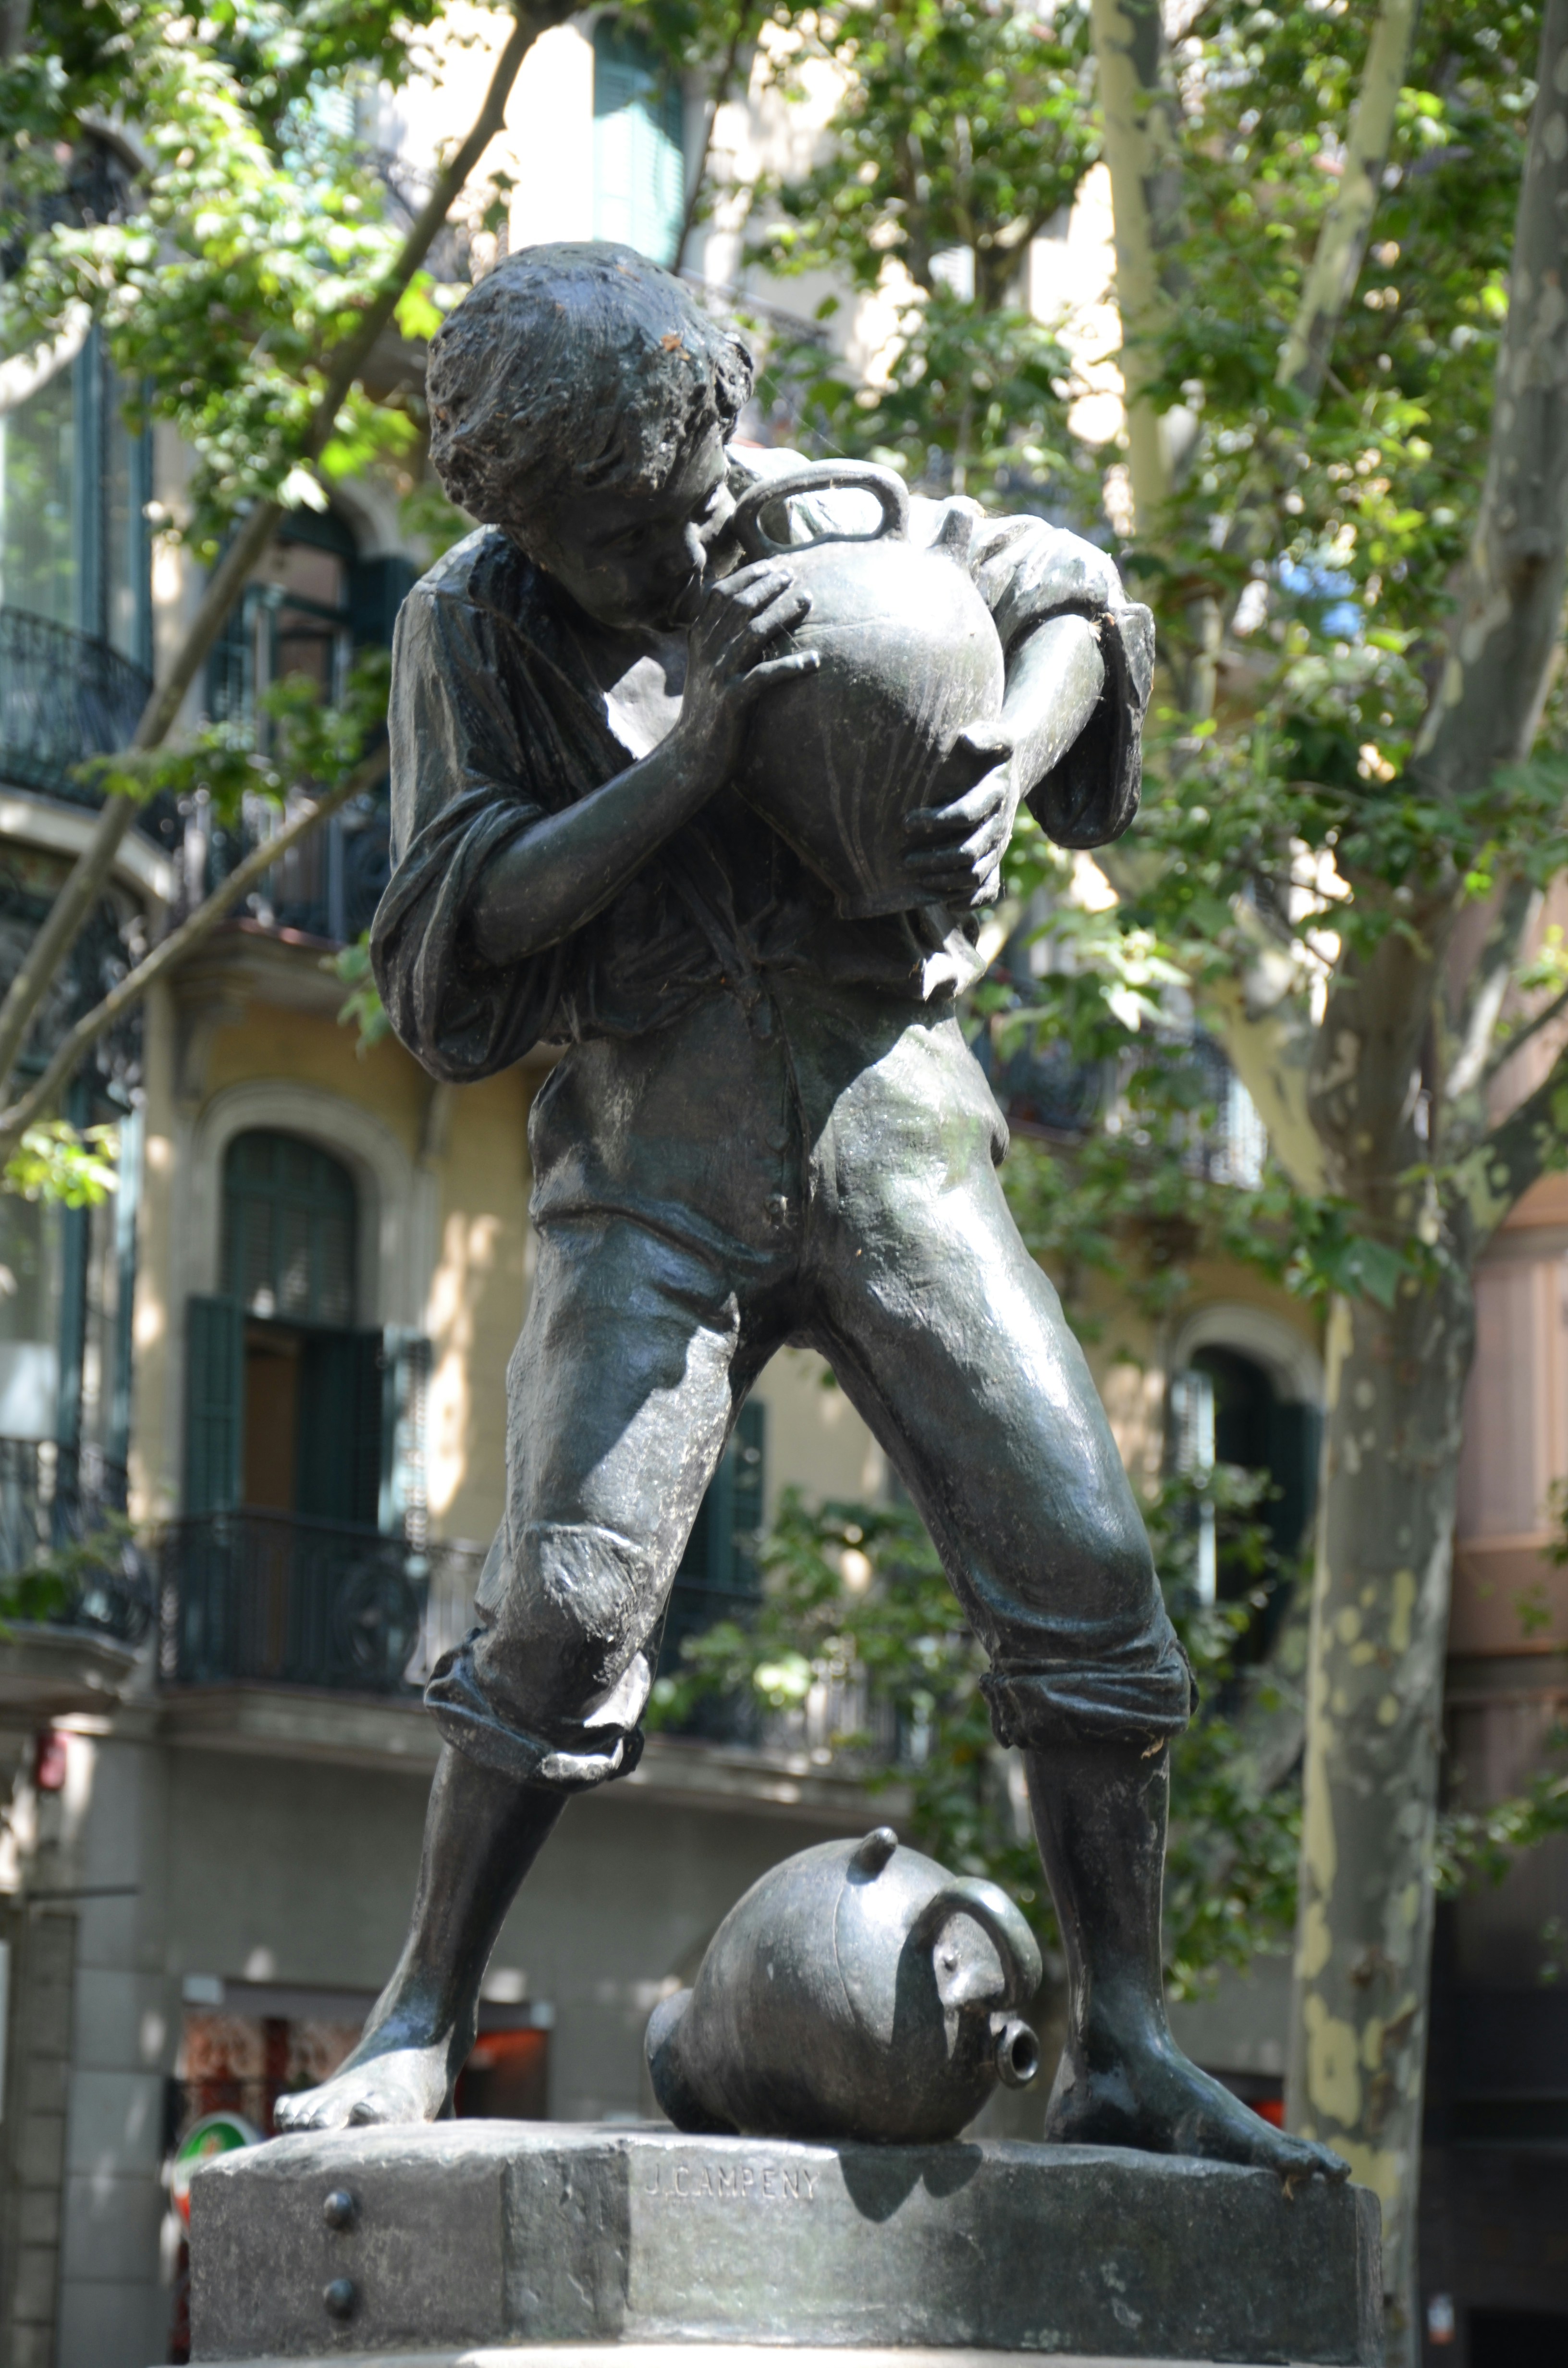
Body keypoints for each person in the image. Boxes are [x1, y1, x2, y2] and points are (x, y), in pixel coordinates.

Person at [278, 243, 1341, 2181]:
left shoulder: (850, 523)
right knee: (562, 1606)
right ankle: (421, 2014)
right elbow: (451, 922)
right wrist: (685, 764)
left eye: (659, 510)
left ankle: (1131, 2037)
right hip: (647, 1173)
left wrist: (1007, 760)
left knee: (1090, 1574)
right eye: (585, 535)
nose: (636, 563)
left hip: (894, 1147)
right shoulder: (471, 625)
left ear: (719, 428)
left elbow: (1073, 594)